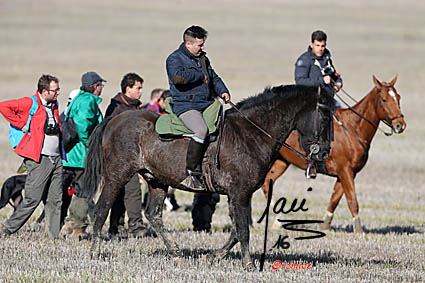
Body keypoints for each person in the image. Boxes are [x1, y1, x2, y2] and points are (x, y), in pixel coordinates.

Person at [166, 25, 229, 232]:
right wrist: (199, 77)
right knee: (201, 131)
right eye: (199, 45)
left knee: (225, 127)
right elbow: (178, 79)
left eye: (203, 44)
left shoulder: (203, 58)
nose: (202, 48)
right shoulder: (174, 59)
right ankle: (191, 172)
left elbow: (214, 77)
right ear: (188, 43)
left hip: (205, 103)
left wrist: (223, 91)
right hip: (185, 105)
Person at [0, 74, 64, 239]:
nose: (58, 93)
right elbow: (3, 106)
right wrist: (20, 124)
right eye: (55, 90)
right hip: (39, 159)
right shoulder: (30, 102)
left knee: (55, 200)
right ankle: (7, 228)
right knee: (32, 199)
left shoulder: (53, 104)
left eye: (58, 89)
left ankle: (53, 236)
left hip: (56, 158)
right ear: (44, 91)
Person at [104, 72, 148, 238]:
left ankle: (116, 226)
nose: (141, 91)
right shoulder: (117, 108)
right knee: (132, 191)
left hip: (132, 157)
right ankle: (136, 227)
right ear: (127, 89)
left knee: (121, 193)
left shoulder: (134, 106)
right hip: (120, 158)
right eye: (138, 88)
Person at [294, 30, 342, 178]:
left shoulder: (327, 57)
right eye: (318, 45)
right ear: (311, 44)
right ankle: (311, 162)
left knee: (343, 117)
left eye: (323, 45)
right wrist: (322, 81)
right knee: (315, 127)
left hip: (328, 99)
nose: (320, 48)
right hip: (311, 101)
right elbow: (300, 81)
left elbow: (334, 74)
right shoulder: (304, 60)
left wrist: (338, 82)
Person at [62, 71, 105, 236]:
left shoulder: (79, 97)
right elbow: (82, 125)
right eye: (101, 85)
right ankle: (77, 227)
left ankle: (71, 224)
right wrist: (92, 145)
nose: (101, 89)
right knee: (85, 191)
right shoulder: (88, 101)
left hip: (73, 154)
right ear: (95, 87)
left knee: (81, 191)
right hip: (81, 155)